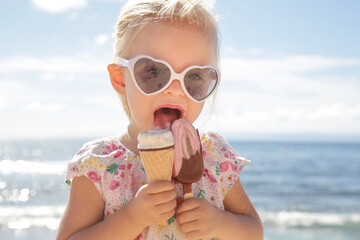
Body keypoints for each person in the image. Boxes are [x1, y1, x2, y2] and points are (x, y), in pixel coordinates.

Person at [56, 0, 263, 239]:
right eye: (154, 72)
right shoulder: (98, 165)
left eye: (194, 76)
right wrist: (132, 219)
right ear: (121, 79)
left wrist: (220, 223)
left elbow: (254, 230)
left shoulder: (214, 156)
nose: (175, 90)